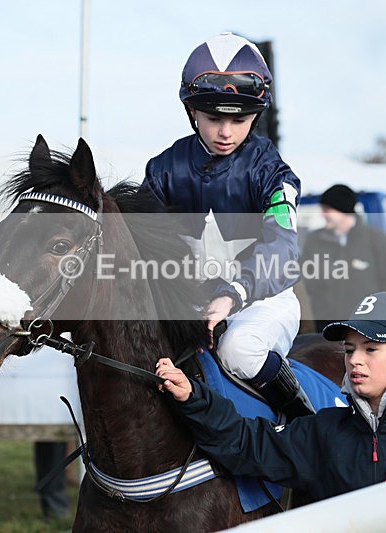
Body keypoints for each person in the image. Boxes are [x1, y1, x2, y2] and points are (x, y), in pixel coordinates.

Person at [155, 291, 386, 503]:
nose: (355, 360)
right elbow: (246, 443)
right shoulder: (324, 430)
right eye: (350, 349)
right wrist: (193, 397)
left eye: (371, 349)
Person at [141, 32, 311, 419]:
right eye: (214, 118)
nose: (226, 132)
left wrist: (233, 293)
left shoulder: (274, 175)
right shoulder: (161, 171)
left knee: (239, 348)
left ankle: (304, 426)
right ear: (192, 113)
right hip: (190, 303)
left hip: (261, 301)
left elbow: (284, 253)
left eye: (240, 120)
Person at [300, 184, 386, 333]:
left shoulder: (374, 239)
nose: (323, 215)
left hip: (365, 328)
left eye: (327, 210)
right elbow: (305, 284)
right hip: (325, 330)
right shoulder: (314, 240)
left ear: (343, 210)